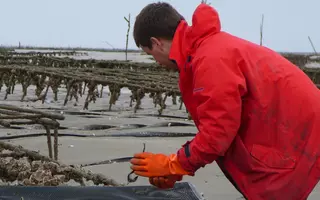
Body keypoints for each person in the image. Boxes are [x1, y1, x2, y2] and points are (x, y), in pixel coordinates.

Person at [129, 2, 320, 199]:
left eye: (150, 54)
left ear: (157, 42)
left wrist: (174, 163)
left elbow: (217, 132)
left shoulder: (210, 58)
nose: (158, 63)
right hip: (289, 131)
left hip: (302, 134)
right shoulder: (207, 49)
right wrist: (176, 170)